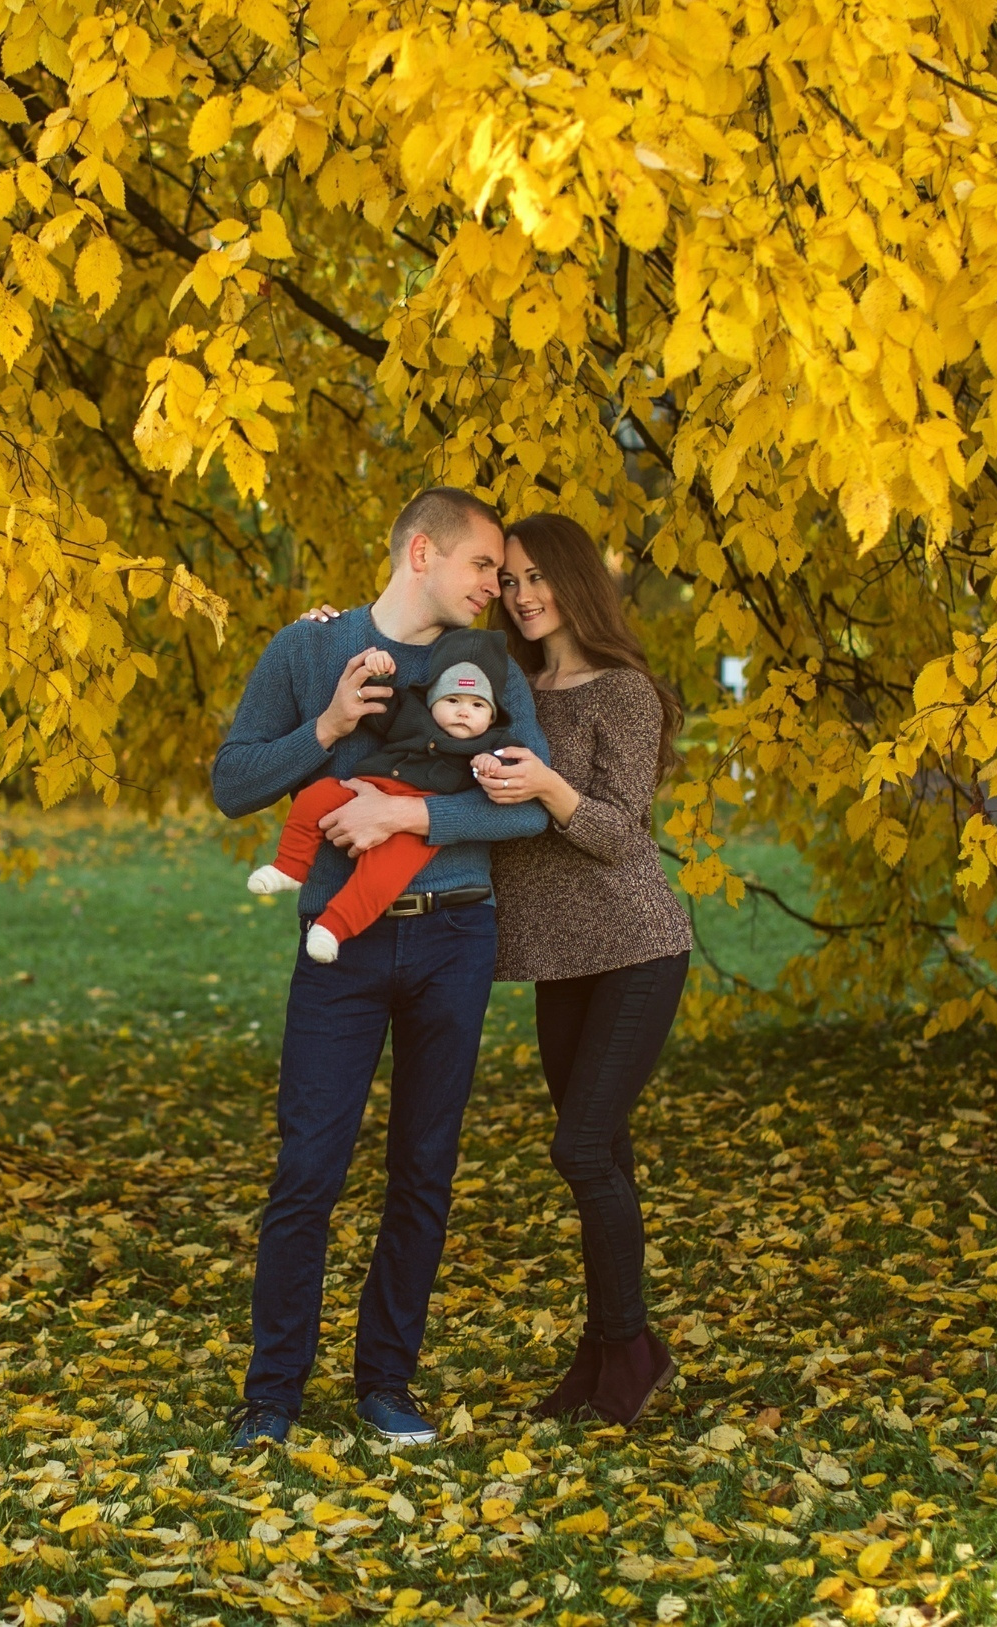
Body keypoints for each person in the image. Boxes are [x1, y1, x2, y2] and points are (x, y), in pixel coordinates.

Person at [211, 489, 551, 1449]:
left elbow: (532, 803)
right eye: (484, 565)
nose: (497, 586)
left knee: (423, 1170)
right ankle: (270, 1397)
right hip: (341, 941)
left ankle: (385, 1383)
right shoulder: (311, 649)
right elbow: (233, 782)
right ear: (422, 553)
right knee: (307, 1170)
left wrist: (414, 818)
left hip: (456, 937)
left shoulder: (490, 667)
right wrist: (320, 732)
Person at [474, 513, 693, 1430]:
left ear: (573, 581)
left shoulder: (624, 691)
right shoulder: (509, 687)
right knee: (605, 1156)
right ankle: (605, 1350)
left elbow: (621, 831)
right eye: (511, 580)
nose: (524, 595)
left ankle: (633, 1344)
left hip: (637, 946)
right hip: (560, 958)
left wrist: (549, 789)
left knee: (577, 1147)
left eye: (537, 577)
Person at [247, 627, 526, 963]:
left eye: (477, 705)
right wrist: (377, 671)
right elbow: (379, 703)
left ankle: (333, 927)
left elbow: (516, 773)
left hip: (415, 824)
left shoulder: (492, 742)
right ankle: (289, 867)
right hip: (366, 788)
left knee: (383, 876)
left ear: (493, 715)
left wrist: (491, 764)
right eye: (452, 700)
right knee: (315, 797)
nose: (463, 711)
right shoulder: (414, 715)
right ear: (433, 701)